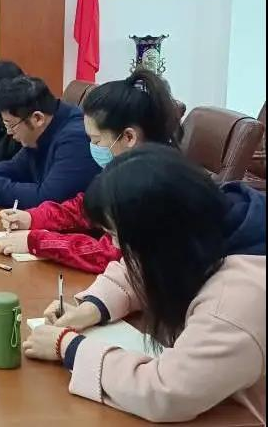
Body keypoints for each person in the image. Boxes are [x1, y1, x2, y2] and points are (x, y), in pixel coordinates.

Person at [23, 145, 265, 424]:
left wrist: (69, 347)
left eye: (117, 236)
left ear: (156, 236)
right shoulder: (209, 222)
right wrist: (91, 308)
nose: (116, 247)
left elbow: (167, 393)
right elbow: (141, 268)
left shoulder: (238, 299)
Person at [0, 69, 181, 273]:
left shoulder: (154, 185)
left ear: (129, 137)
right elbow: (86, 209)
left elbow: (112, 255)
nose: (92, 147)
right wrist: (33, 218)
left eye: (96, 140)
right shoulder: (127, 168)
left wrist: (37, 242)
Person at [0, 76, 100, 208]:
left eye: (10, 125)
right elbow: (17, 167)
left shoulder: (76, 138)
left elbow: (48, 198)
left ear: (37, 118)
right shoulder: (45, 126)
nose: (8, 132)